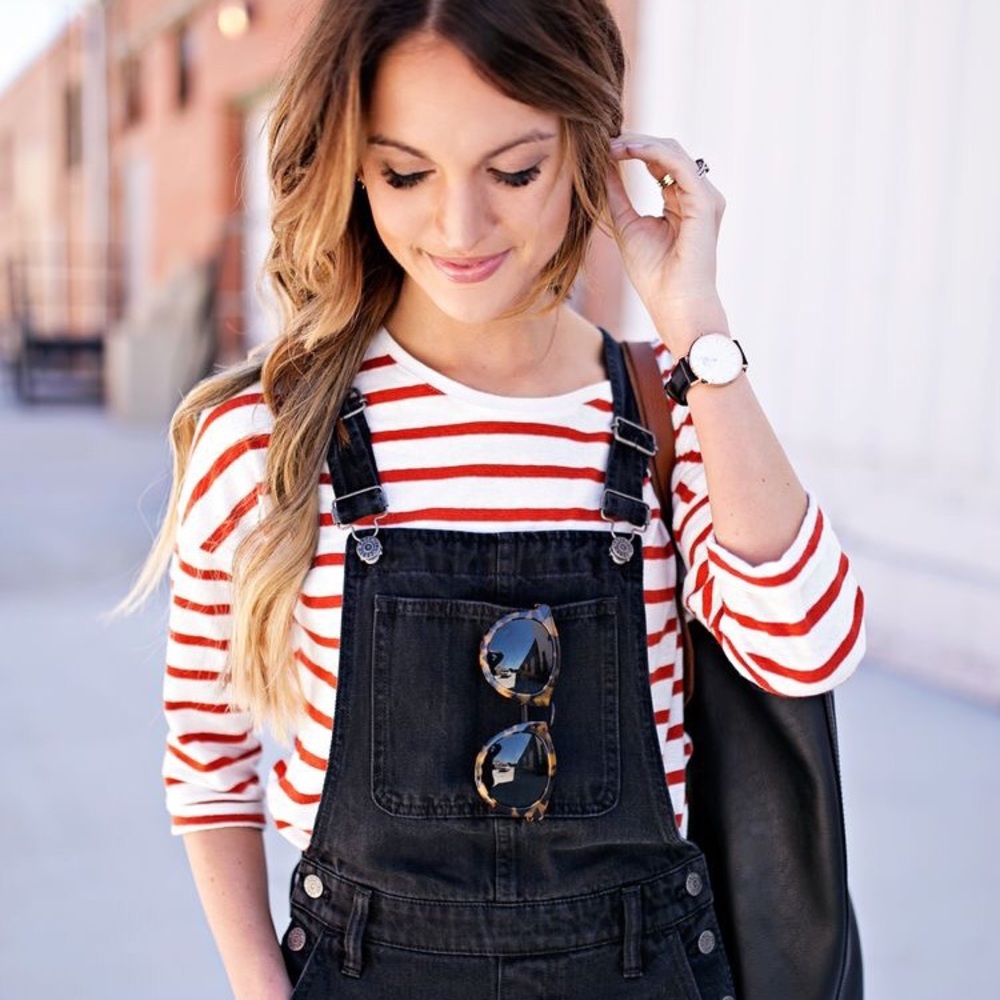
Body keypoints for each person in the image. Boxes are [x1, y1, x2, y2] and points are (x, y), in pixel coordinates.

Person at [127, 1, 865, 997]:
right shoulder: (263, 438)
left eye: (513, 170)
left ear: (583, 148)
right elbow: (208, 760)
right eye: (405, 172)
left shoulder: (667, 408)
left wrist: (695, 323)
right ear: (353, 168)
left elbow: (807, 645)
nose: (458, 226)